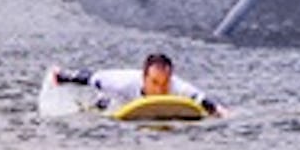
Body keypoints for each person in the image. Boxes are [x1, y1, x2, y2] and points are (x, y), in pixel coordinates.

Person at [53, 52, 221, 115]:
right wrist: (61, 76)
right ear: (144, 77)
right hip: (119, 99)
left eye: (164, 83)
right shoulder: (123, 82)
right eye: (155, 82)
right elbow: (90, 78)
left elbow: (203, 99)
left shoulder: (178, 87)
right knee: (100, 107)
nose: (160, 89)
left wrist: (222, 113)